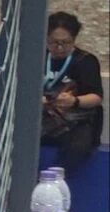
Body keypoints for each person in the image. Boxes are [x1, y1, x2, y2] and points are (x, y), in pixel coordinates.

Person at [41, 11, 104, 175]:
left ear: (74, 39)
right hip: (43, 117)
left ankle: (54, 180)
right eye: (54, 42)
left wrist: (75, 101)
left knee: (77, 146)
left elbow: (96, 97)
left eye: (65, 43)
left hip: (76, 121)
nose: (59, 48)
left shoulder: (86, 61)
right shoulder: (38, 58)